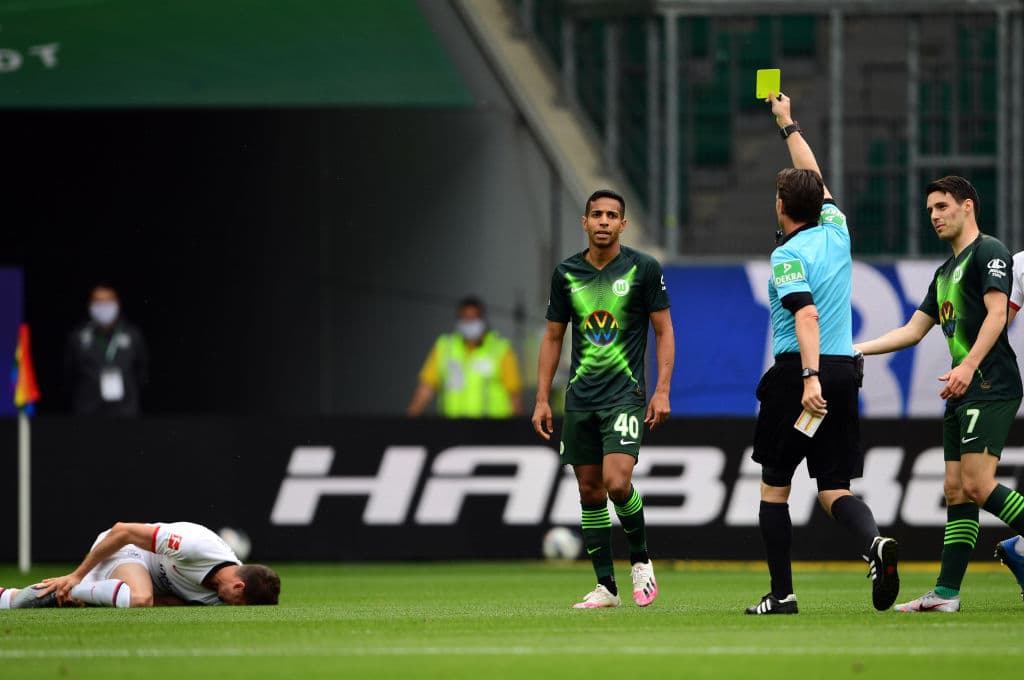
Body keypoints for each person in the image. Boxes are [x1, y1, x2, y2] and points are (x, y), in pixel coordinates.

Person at [744, 93, 899, 616]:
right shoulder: (837, 232)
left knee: (774, 487)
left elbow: (804, 315)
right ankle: (875, 544)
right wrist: (787, 124)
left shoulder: (787, 254)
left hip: (801, 376)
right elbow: (814, 177)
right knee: (834, 487)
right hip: (842, 370)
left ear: (782, 208)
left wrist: (807, 379)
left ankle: (782, 595)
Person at [855, 176, 1024, 613]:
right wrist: (855, 348)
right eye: (930, 208)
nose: (934, 215)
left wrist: (967, 366)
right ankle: (946, 594)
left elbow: (997, 315)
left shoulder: (990, 252)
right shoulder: (945, 271)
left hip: (990, 384)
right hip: (962, 390)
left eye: (942, 206)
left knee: (977, 484)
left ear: (968, 207)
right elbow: (912, 331)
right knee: (955, 490)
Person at [531, 188, 674, 609]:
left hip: (624, 395)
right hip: (580, 399)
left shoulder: (643, 268)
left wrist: (662, 390)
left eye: (613, 215)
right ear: (585, 221)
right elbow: (553, 335)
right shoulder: (566, 273)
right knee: (590, 491)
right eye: (597, 214)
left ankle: (641, 560)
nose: (605, 221)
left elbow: (664, 331)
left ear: (623, 224)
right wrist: (542, 398)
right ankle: (606, 588)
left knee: (617, 482)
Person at [1, 521, 280, 608]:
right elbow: (123, 531)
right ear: (238, 585)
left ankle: (6, 598)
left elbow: (172, 602)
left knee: (17, 604)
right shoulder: (196, 545)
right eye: (238, 603)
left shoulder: (221, 594)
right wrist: (76, 577)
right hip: (125, 549)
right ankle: (76, 589)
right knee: (139, 597)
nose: (233, 608)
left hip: (133, 577)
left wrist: (104, 600)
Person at [407, 296, 523, 418]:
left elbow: (514, 395)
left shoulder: (501, 350)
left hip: (491, 430)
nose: (469, 323)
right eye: (465, 318)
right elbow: (426, 388)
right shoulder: (444, 348)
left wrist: (517, 432)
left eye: (473, 318)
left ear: (482, 320)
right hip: (453, 430)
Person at [65, 284, 149, 416]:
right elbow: (69, 374)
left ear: (117, 304)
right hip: (88, 412)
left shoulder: (132, 335)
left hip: (126, 412)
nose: (104, 307)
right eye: (98, 302)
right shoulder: (78, 337)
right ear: (90, 305)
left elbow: (142, 371)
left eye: (108, 301)